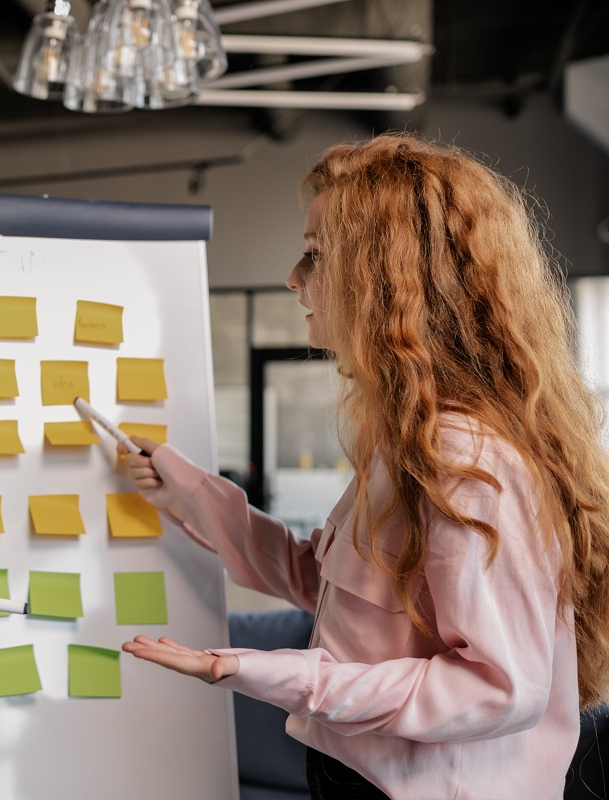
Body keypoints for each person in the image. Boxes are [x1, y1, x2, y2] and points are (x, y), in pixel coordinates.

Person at [118, 133, 609, 799]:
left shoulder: (466, 460)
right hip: (351, 771)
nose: (293, 278)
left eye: (315, 255)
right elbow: (320, 580)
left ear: (388, 279)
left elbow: (499, 688)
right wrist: (190, 492)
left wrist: (263, 671)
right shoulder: (408, 440)